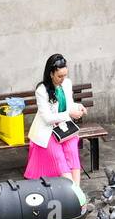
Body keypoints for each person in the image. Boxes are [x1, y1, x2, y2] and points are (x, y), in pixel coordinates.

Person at [26, 53, 87, 187]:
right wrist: (69, 113)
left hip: (65, 128)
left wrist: (78, 106)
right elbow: (47, 118)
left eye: (65, 75)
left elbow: (69, 104)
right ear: (51, 74)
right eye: (60, 76)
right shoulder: (41, 90)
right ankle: (73, 192)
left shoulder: (67, 83)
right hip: (47, 131)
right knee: (59, 158)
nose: (63, 79)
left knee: (72, 152)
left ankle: (76, 190)